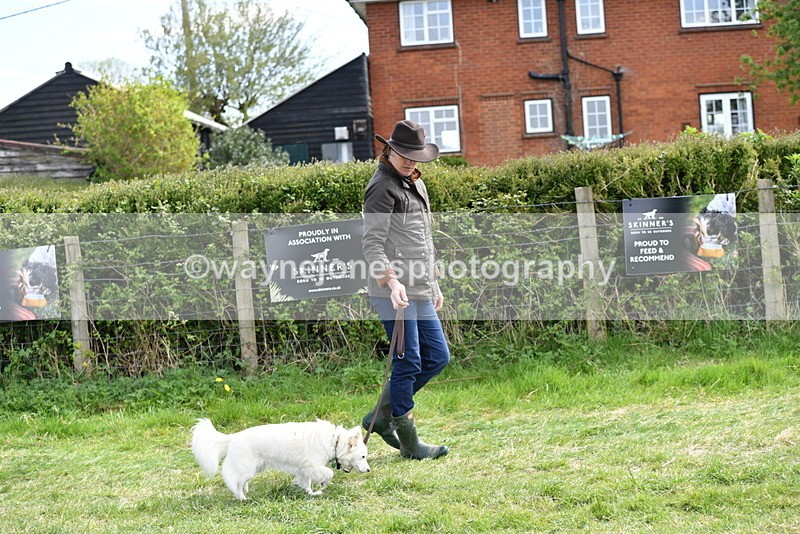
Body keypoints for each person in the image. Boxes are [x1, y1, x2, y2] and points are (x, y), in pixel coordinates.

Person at [361, 119, 450, 460]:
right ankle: (409, 441)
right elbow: (372, 242)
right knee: (408, 361)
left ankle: (381, 416)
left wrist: (433, 282)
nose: (411, 161)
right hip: (392, 292)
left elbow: (422, 240)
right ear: (389, 149)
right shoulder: (382, 186)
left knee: (438, 357)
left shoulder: (415, 183)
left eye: (416, 156)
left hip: (420, 287)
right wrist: (392, 280)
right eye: (405, 155)